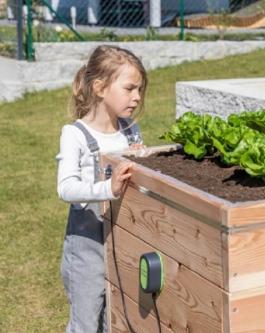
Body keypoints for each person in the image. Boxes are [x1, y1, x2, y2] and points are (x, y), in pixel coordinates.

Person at [56, 45, 148, 333]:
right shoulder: (76, 134)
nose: (137, 97)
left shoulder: (130, 131)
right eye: (130, 88)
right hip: (88, 242)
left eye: (140, 90)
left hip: (124, 235)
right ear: (100, 87)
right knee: (86, 321)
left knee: (119, 314)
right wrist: (108, 187)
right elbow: (66, 187)